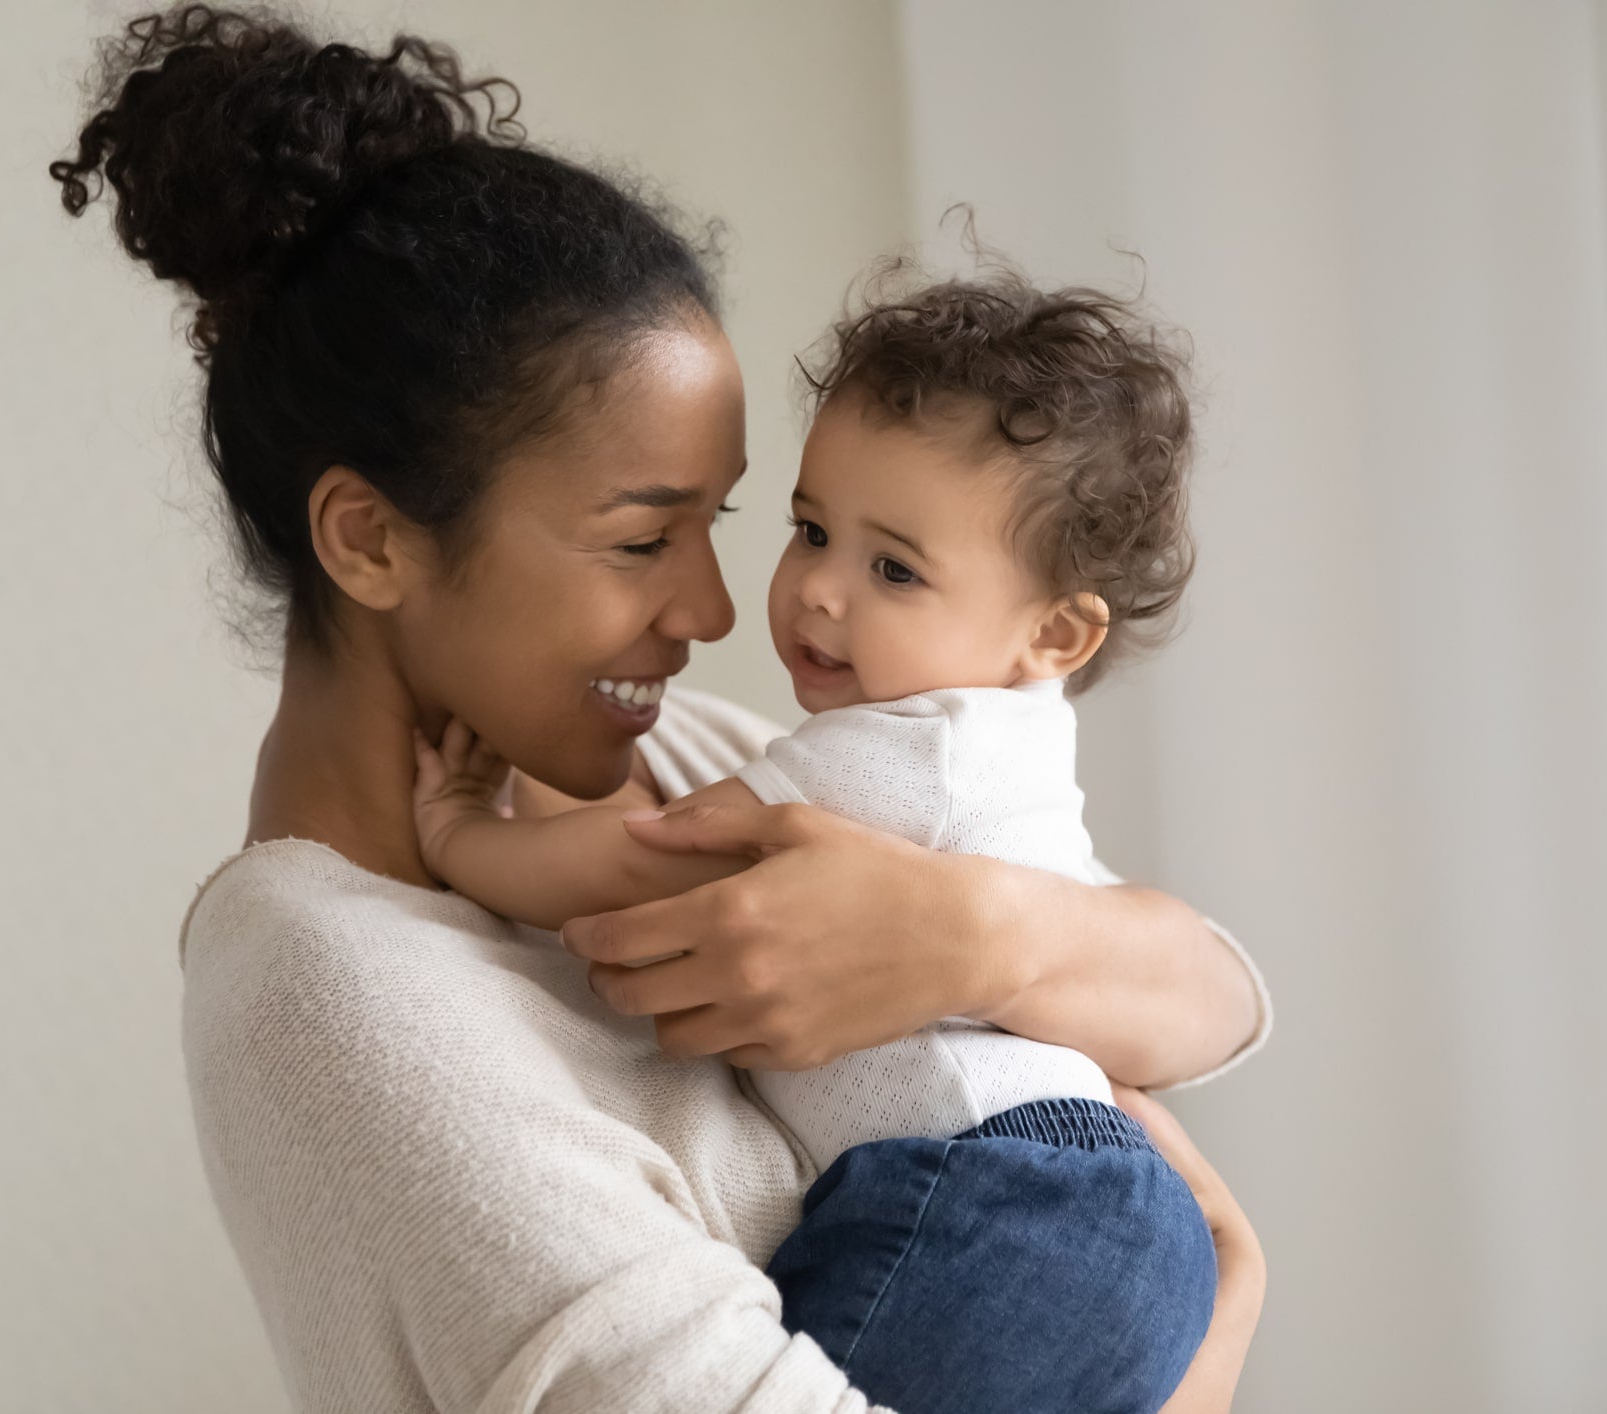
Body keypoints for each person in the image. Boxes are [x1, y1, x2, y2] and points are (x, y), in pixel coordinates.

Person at [50, 7, 1270, 1411]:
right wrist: (1218, 1321)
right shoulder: (332, 994)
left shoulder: (700, 749)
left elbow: (1216, 998)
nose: (712, 610)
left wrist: (978, 930)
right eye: (640, 541)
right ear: (372, 540)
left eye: (724, 525)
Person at [410, 270, 1224, 1411]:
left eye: (893, 568)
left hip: (988, 1195)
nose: (818, 593)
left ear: (1053, 630)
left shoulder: (884, 754)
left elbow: (634, 860)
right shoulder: (1007, 750)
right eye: (810, 530)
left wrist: (456, 838)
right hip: (1130, 1227)